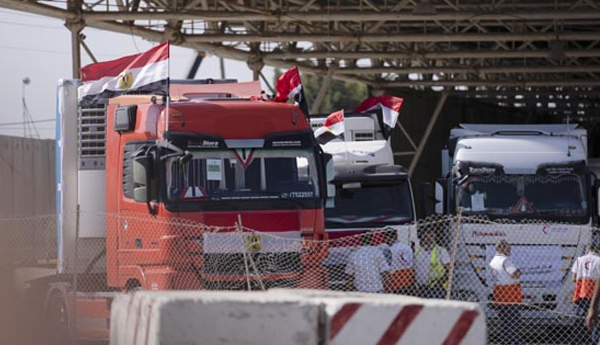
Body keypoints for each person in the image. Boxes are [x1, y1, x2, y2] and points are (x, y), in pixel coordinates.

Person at [489, 240, 523, 345]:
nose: (509, 250)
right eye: (507, 248)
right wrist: (519, 271)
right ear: (500, 249)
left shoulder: (493, 261)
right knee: (514, 323)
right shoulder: (505, 260)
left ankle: (505, 342)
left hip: (499, 294)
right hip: (510, 294)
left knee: (504, 323)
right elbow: (514, 274)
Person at [572, 241, 600, 345]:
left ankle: (576, 340)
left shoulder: (579, 260)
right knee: (596, 318)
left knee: (579, 319)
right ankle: (594, 340)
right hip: (594, 294)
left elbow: (573, 278)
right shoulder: (599, 260)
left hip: (581, 293)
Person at [414, 227, 451, 299]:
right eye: (425, 236)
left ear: (435, 238)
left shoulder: (441, 251)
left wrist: (438, 284)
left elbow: (449, 270)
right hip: (421, 288)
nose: (428, 239)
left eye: (431, 236)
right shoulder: (418, 252)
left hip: (437, 288)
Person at [379, 229, 415, 295]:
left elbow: (387, 267)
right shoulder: (407, 247)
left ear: (386, 238)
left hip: (395, 281)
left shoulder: (388, 250)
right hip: (408, 280)